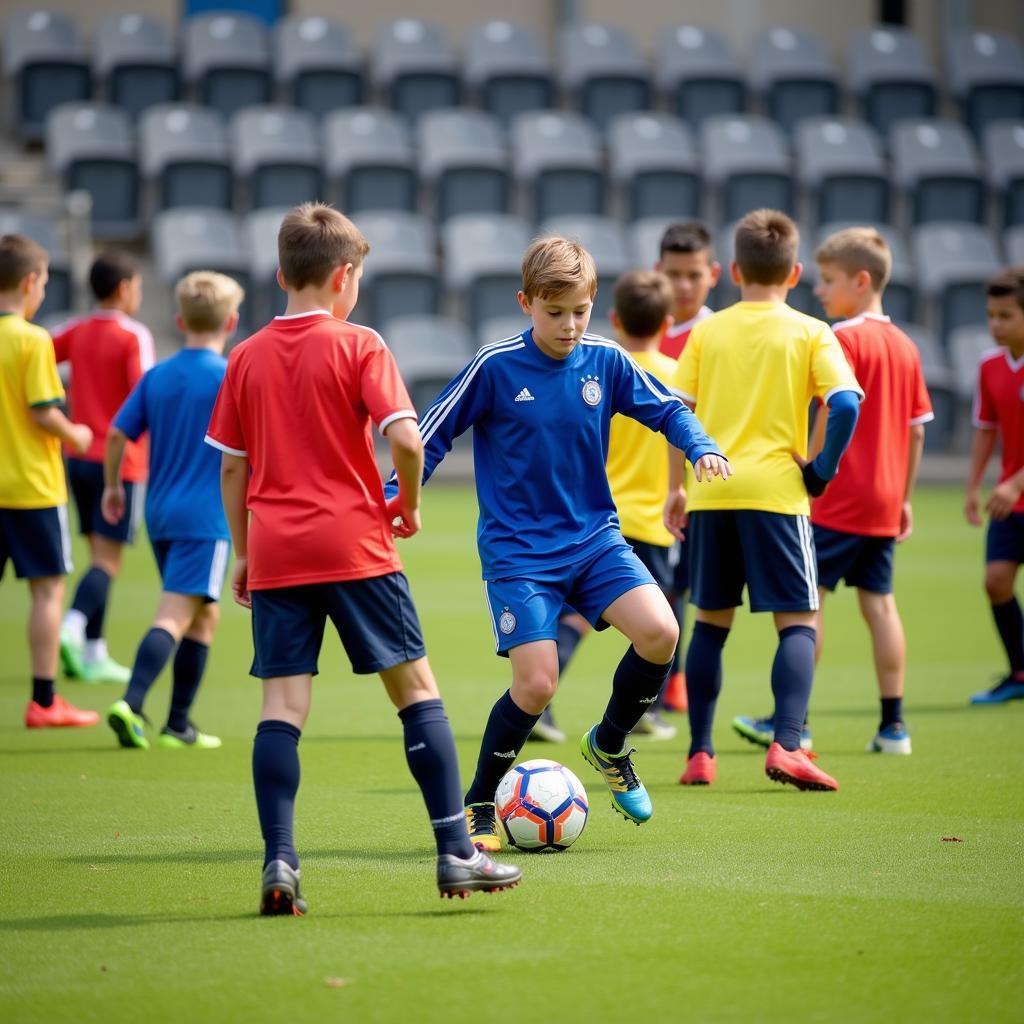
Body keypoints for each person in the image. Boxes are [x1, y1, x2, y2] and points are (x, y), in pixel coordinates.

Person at [204, 202, 521, 914]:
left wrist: (245, 553)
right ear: (344, 277)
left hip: (278, 548)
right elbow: (407, 438)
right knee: (416, 692)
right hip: (354, 542)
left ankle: (280, 861)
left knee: (282, 707)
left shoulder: (245, 356)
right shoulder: (360, 344)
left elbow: (232, 469)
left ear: (283, 273)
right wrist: (407, 501)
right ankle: (454, 851)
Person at [385, 236, 729, 853]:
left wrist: (701, 444)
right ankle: (479, 805)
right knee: (538, 684)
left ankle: (610, 743)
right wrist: (395, 495)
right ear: (526, 303)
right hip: (519, 554)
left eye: (580, 310)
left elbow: (669, 411)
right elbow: (432, 432)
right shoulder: (494, 366)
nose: (569, 325)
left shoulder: (608, 360)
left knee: (661, 632)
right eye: (554, 312)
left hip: (595, 540)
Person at [671, 209, 861, 791]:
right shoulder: (810, 331)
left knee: (709, 624)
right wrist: (821, 470)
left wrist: (681, 482)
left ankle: (700, 755)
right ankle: (787, 743)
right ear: (796, 272)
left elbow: (674, 406)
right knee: (798, 623)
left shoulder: (708, 330)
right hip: (778, 494)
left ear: (731, 270)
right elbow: (847, 403)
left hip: (711, 491)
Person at [732, 227, 932, 755]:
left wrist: (814, 466)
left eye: (830, 280)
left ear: (861, 281)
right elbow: (916, 429)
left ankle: (793, 719)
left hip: (837, 498)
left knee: (807, 606)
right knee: (881, 607)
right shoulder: (908, 346)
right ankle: (894, 727)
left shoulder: (841, 337)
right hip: (887, 501)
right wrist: (905, 497)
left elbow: (832, 407)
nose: (820, 290)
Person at [533, 270, 688, 745]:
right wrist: (677, 491)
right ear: (667, 322)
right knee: (660, 621)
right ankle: (643, 710)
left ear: (614, 318)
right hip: (649, 517)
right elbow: (676, 434)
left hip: (595, 518)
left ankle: (541, 702)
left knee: (575, 618)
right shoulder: (671, 374)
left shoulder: (597, 366)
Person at [102, 272, 243, 751]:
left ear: (180, 319)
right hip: (206, 518)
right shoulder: (230, 376)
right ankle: (132, 703)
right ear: (233, 321)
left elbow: (119, 434)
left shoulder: (157, 374)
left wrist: (113, 487)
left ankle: (177, 725)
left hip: (160, 513)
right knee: (177, 614)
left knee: (203, 616)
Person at [0, 233, 98, 729]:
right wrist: (77, 434)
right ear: (31, 282)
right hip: (30, 486)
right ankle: (43, 701)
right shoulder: (31, 338)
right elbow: (44, 412)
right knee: (47, 591)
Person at [53, 251, 154, 684]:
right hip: (119, 462)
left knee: (98, 556)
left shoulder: (73, 331)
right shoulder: (133, 335)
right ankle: (73, 625)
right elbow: (143, 395)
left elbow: (40, 356)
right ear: (125, 288)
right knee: (107, 562)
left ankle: (95, 651)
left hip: (77, 458)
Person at [655, 221, 721, 712]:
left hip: (700, 488)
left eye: (692, 274)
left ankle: (672, 684)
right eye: (673, 273)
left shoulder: (716, 335)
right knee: (664, 588)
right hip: (645, 488)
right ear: (659, 271)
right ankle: (666, 683)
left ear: (713, 274)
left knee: (688, 588)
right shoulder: (643, 329)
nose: (682, 285)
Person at [965, 267, 1024, 704]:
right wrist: (973, 486)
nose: (996, 324)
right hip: (1011, 500)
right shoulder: (990, 366)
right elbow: (986, 428)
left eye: (1006, 315)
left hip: (1014, 491)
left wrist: (1016, 483)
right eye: (991, 315)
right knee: (996, 581)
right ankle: (1019, 673)